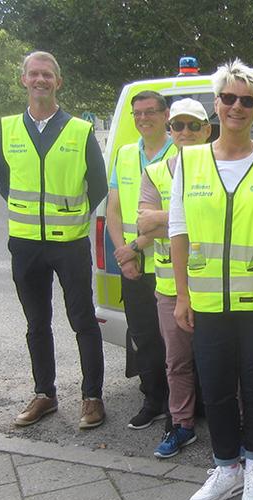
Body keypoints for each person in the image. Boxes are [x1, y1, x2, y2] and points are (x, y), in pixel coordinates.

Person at [170, 61, 253, 500]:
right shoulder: (189, 160)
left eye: (247, 100)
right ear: (216, 104)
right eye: (228, 98)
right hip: (207, 303)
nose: (237, 106)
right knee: (216, 386)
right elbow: (179, 228)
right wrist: (183, 295)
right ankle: (225, 466)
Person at [0, 51, 108, 430]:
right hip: (25, 243)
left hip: (70, 243)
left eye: (48, 75)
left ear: (58, 82)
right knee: (36, 322)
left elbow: (97, 185)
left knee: (83, 320)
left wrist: (70, 216)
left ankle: (92, 397)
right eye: (34, 74)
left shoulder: (80, 130)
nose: (41, 80)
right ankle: (44, 394)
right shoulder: (8, 129)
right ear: (24, 79)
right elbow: (3, 182)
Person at [135, 98, 210, 458]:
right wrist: (191, 213)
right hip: (169, 287)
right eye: (178, 126)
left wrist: (166, 218)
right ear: (170, 131)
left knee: (225, 364)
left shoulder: (219, 168)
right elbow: (143, 223)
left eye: (193, 126)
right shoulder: (156, 171)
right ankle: (181, 425)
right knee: (176, 363)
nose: (185, 133)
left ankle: (238, 427)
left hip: (214, 285)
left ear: (206, 130)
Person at [106, 91, 177, 433]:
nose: (143, 118)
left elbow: (180, 215)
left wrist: (135, 245)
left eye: (151, 112)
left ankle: (176, 403)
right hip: (132, 264)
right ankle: (152, 399)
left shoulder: (181, 152)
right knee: (144, 337)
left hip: (167, 263)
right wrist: (124, 253)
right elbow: (114, 208)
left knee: (173, 341)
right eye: (138, 113)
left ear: (166, 115)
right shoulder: (123, 154)